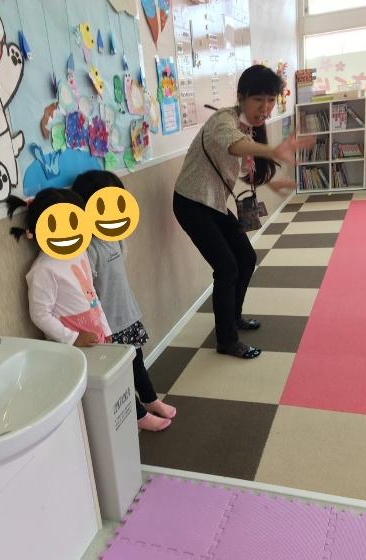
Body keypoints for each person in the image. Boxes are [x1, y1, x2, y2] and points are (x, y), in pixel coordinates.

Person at [173, 64, 315, 359]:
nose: (265, 108)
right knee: (226, 267)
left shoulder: (249, 125)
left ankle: (233, 317)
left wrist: (272, 183)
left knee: (246, 258)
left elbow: (247, 161)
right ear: (241, 97)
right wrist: (273, 150)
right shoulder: (222, 121)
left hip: (213, 202)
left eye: (271, 100)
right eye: (258, 99)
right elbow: (236, 147)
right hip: (191, 203)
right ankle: (226, 340)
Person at [72, 170, 176, 432]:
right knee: (121, 372)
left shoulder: (112, 237)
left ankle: (150, 399)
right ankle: (139, 415)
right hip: (108, 325)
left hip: (127, 314)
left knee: (137, 360)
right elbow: (85, 290)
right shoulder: (88, 248)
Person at [6, 188, 112, 348]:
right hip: (72, 349)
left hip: (96, 337)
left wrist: (105, 328)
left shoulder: (80, 252)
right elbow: (40, 315)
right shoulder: (44, 269)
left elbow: (91, 294)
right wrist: (73, 338)